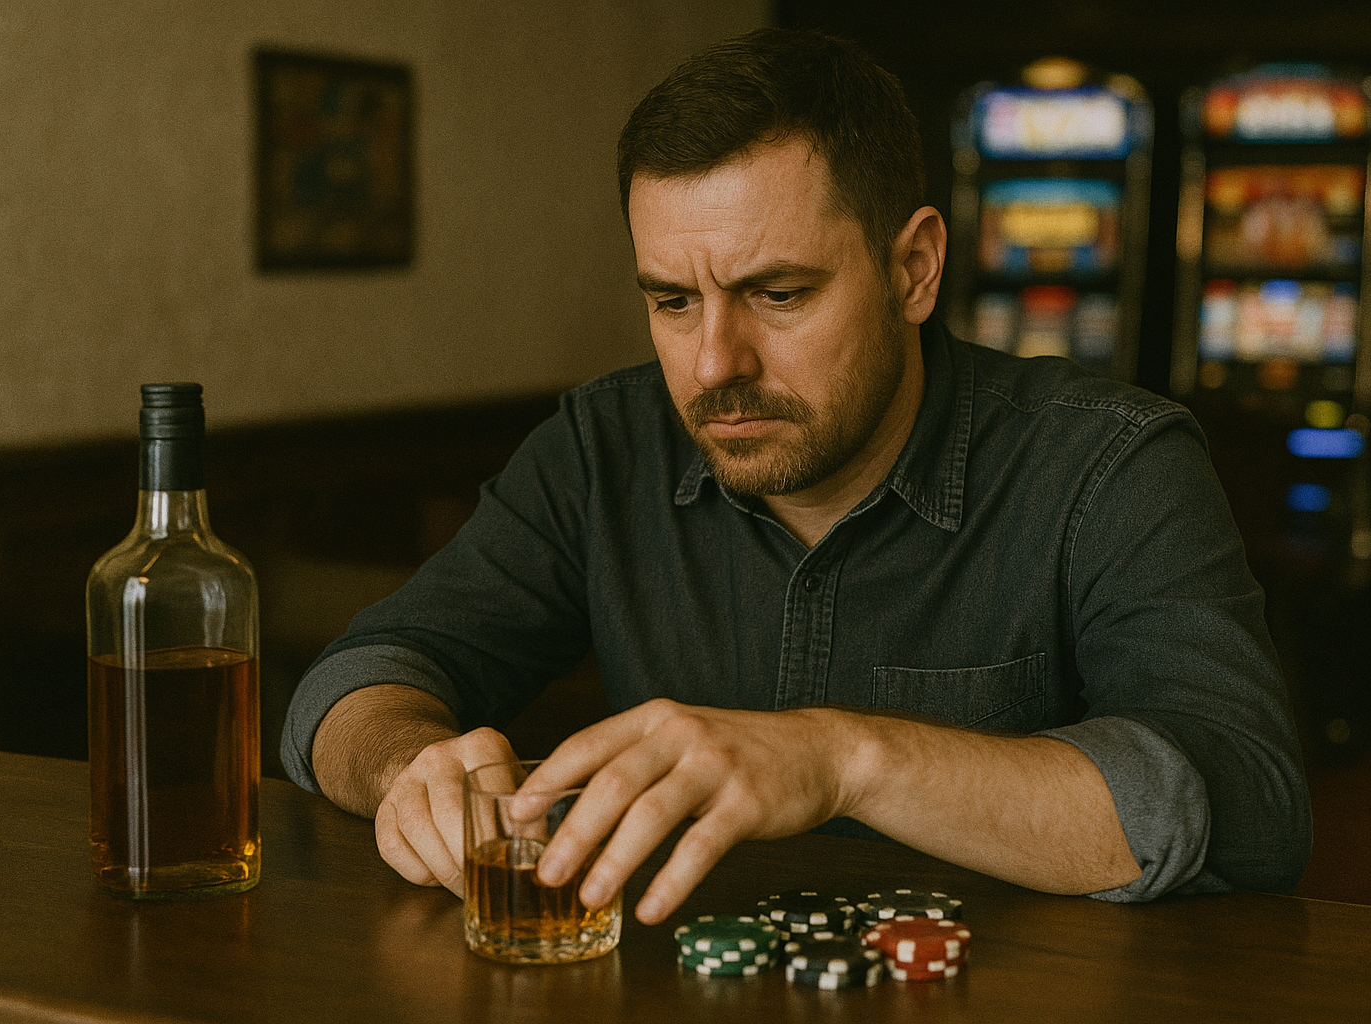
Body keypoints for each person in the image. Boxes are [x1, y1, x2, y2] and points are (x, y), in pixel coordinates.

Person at [281, 27, 1311, 926]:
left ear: (914, 267)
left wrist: (840, 760)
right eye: (673, 301)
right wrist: (403, 764)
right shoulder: (606, 446)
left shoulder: (1109, 463)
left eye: (776, 292)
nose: (714, 362)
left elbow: (1251, 806)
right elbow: (356, 676)